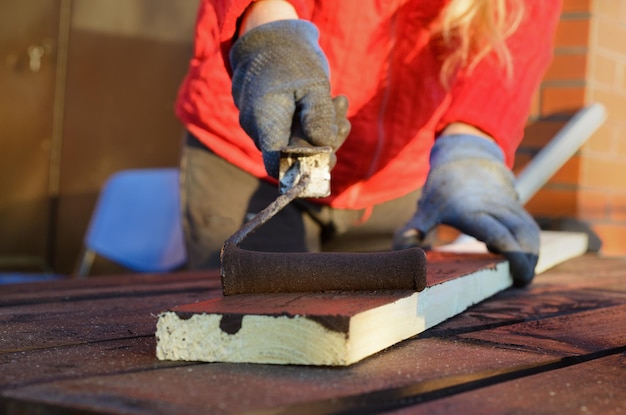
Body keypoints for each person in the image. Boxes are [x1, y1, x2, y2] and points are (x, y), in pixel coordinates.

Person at [175, 0, 562, 287]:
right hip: (251, 154)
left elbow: (518, 20)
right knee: (248, 351)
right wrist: (269, 29)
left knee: (377, 358)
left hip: (393, 183)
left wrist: (473, 143)